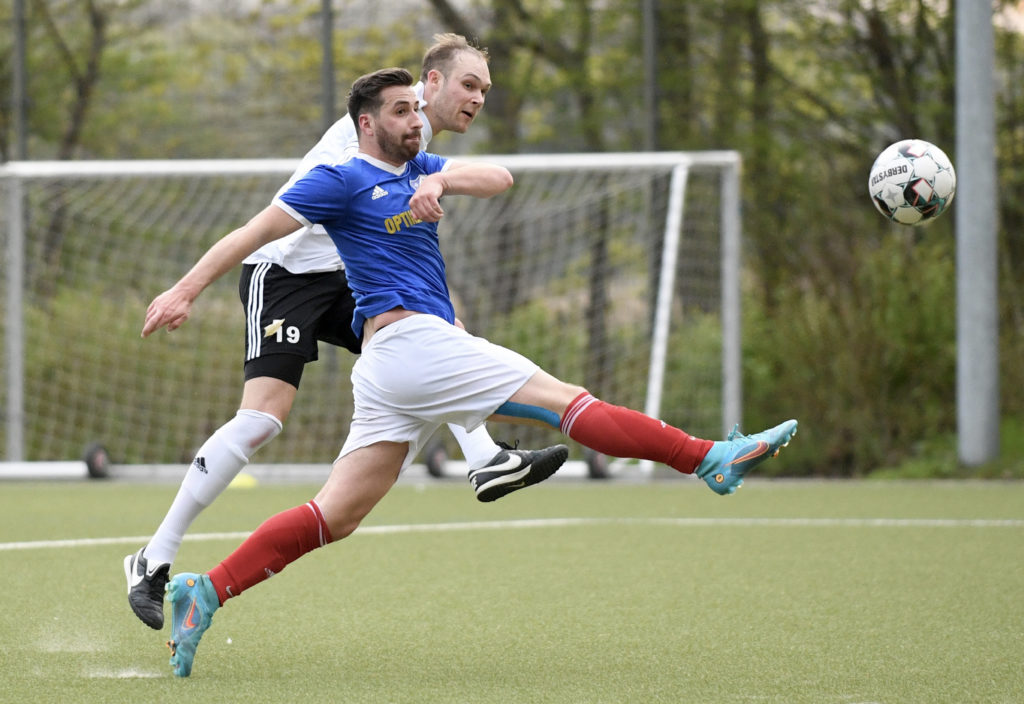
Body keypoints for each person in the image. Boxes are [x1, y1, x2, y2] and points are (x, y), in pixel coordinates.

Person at [141, 66, 799, 678]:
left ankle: (208, 590)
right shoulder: (338, 179)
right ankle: (707, 458)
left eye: (416, 110)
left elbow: (498, 177)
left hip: (392, 367)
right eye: (400, 111)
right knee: (566, 401)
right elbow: (250, 234)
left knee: (334, 515)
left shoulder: (417, 167)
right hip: (413, 345)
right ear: (365, 124)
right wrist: (184, 290)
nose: (415, 120)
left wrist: (440, 181)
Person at [123, 34, 567, 632]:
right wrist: (185, 289)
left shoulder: (415, 143)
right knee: (262, 419)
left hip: (344, 278)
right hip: (284, 274)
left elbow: (485, 180)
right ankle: (153, 558)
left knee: (442, 336)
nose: (478, 99)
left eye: (485, 89)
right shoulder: (370, 136)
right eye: (469, 85)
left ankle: (485, 458)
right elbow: (258, 229)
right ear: (430, 84)